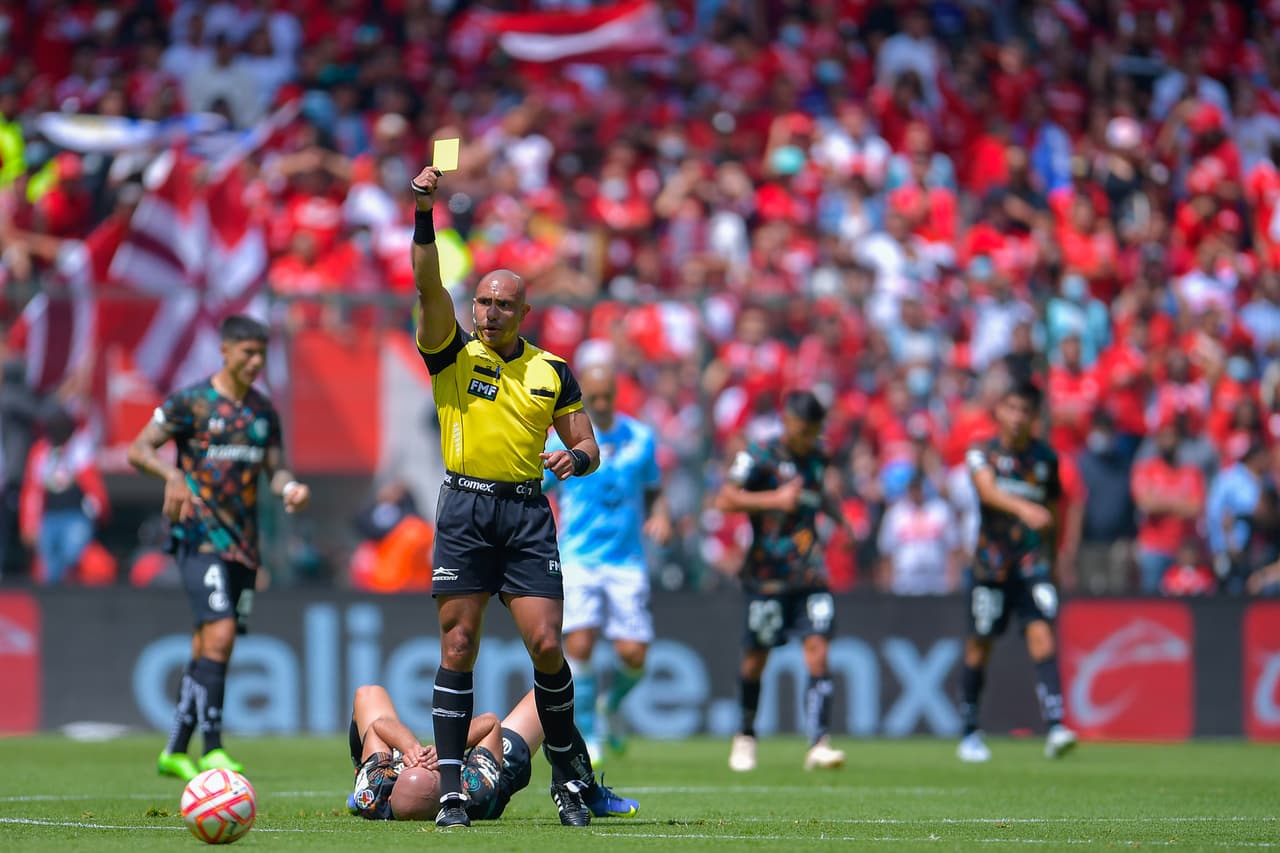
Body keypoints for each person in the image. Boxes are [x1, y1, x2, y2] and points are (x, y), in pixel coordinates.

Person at [408, 165, 637, 829]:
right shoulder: (449, 351)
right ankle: (451, 792)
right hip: (466, 508)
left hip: (527, 513)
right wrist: (425, 214)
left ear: (523, 314)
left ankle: (569, 780)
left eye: (503, 304)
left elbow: (588, 443)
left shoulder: (551, 370)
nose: (489, 312)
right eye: (482, 301)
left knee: (545, 643)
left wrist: (578, 457)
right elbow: (427, 281)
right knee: (458, 643)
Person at [127, 315, 311, 782]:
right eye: (247, 353)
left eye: (261, 355)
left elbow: (277, 470)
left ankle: (173, 749)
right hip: (198, 536)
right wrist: (172, 475)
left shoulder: (263, 413)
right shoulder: (192, 402)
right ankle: (212, 746)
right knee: (221, 632)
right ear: (225, 351)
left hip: (243, 546)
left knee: (211, 645)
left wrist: (290, 488)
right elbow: (139, 449)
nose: (255, 362)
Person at [716, 389, 853, 773]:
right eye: (802, 429)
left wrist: (840, 519)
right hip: (766, 574)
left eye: (813, 431)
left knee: (819, 649)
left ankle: (819, 743)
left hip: (809, 571)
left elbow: (817, 493)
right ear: (788, 422)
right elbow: (725, 499)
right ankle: (745, 735)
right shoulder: (758, 456)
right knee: (756, 658)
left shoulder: (818, 456)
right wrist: (774, 500)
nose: (807, 437)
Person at [543, 361, 671, 762]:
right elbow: (536, 485)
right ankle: (592, 732)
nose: (599, 403)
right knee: (579, 644)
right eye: (591, 397)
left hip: (626, 559)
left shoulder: (640, 438)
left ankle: (610, 704)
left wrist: (661, 515)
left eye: (605, 395)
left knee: (634, 654)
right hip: (579, 555)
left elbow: (653, 488)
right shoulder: (562, 439)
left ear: (615, 393)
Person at [959, 380, 1077, 763]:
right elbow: (987, 492)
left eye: (1025, 411)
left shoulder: (1046, 459)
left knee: (1042, 636)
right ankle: (970, 732)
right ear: (999, 411)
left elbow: (1055, 512)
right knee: (980, 644)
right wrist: (1025, 510)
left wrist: (1057, 561)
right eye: (1011, 408)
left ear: (1034, 417)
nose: (1017, 418)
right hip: (991, 566)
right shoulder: (982, 453)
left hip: (1031, 564)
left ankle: (1057, 727)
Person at [345, 684, 543, 823]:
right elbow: (491, 724)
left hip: (382, 782)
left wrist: (411, 748)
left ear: (390, 797)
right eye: (430, 769)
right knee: (545, 699)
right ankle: (566, 774)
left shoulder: (373, 792)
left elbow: (378, 727)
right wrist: (447, 751)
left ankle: (364, 764)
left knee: (368, 693)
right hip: (489, 770)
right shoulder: (476, 790)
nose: (422, 762)